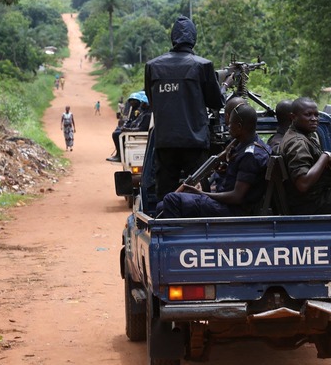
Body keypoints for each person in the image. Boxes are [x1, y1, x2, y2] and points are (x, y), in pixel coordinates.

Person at [144, 15, 226, 201]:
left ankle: (165, 224)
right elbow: (216, 102)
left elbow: (152, 100)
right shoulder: (203, 65)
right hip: (195, 142)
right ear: (193, 38)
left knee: (165, 192)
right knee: (198, 190)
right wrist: (223, 87)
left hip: (165, 141)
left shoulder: (153, 66)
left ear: (173, 38)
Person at [157, 104, 271, 217]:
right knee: (162, 206)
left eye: (231, 124)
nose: (228, 127)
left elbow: (236, 197)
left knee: (171, 199)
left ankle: (182, 235)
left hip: (232, 210)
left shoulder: (250, 155)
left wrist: (202, 194)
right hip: (226, 204)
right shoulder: (246, 145)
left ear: (240, 127)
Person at [106, 92, 151, 162]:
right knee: (118, 131)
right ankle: (120, 154)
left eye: (143, 103)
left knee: (116, 134)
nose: (141, 105)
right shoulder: (143, 113)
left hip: (137, 134)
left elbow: (141, 128)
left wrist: (129, 129)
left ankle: (120, 156)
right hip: (134, 131)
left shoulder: (147, 115)